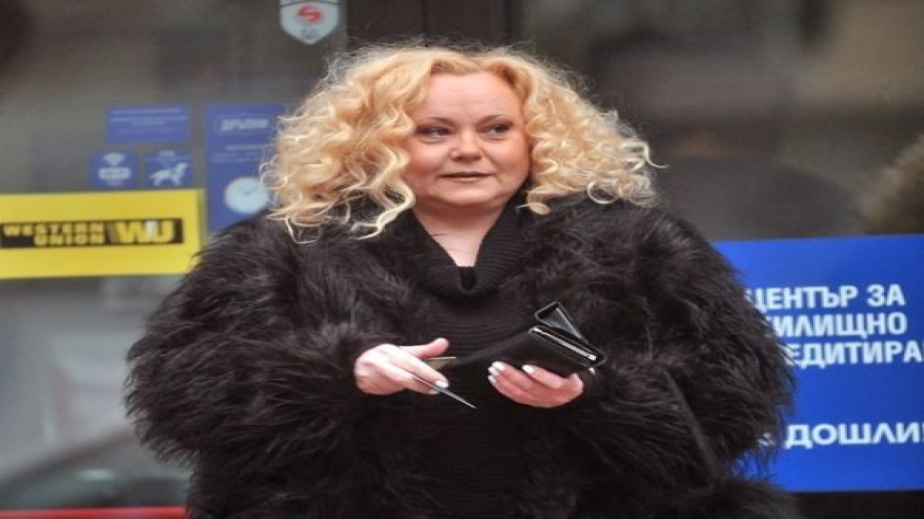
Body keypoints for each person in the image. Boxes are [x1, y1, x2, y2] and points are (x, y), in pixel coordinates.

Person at [125, 44, 798, 518]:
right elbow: (182, 395)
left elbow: (730, 405)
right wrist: (341, 373)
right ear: (379, 144)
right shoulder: (286, 247)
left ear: (535, 140)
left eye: (497, 129)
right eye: (434, 131)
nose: (469, 150)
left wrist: (594, 392)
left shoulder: (639, 244)